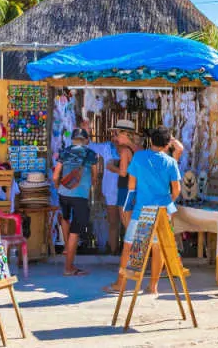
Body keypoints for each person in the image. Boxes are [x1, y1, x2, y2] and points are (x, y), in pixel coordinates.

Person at [105, 127, 181, 296]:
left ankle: (120, 283)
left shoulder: (139, 157)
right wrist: (168, 202)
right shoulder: (170, 162)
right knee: (158, 248)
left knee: (129, 246)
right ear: (167, 144)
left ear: (151, 141)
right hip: (162, 210)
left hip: (141, 210)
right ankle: (153, 286)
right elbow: (176, 190)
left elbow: (131, 185)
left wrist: (130, 205)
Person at [53, 128, 99, 276]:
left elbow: (55, 176)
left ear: (72, 139)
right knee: (76, 231)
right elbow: (94, 177)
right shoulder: (90, 154)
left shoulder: (64, 152)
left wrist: (59, 187)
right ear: (86, 140)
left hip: (63, 193)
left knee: (65, 218)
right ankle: (69, 267)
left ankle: (67, 246)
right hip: (80, 195)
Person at [88, 127, 122, 255]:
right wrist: (87, 131)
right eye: (112, 134)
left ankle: (127, 252)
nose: (114, 137)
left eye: (116, 134)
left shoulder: (130, 149)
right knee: (113, 222)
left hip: (127, 189)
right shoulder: (107, 147)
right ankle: (114, 251)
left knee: (128, 222)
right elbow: (90, 145)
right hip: (111, 190)